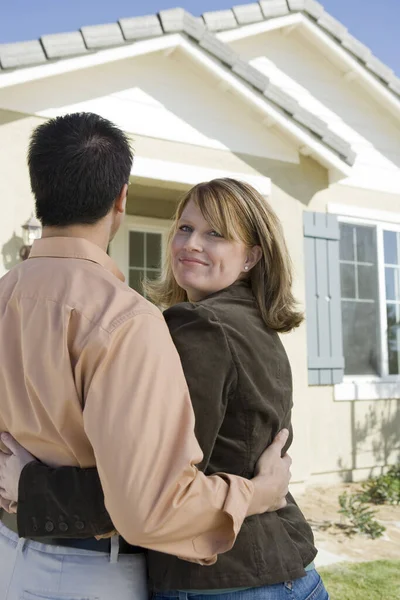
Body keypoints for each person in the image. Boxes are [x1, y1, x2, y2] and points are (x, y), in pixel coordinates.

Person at [0, 115, 292, 600]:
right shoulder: (125, 319)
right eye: (185, 227)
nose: (192, 243)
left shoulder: (10, 296)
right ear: (121, 198)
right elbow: (149, 504)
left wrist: (26, 485)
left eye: (215, 234)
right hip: (89, 573)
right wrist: (258, 494)